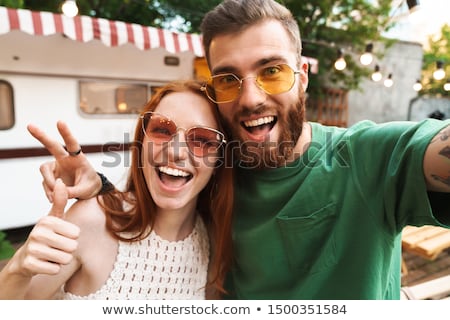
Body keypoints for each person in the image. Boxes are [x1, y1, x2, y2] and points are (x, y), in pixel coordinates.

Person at [28, 0, 450, 299]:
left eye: (271, 71)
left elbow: (427, 151)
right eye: (229, 79)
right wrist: (102, 186)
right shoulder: (218, 172)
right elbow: (158, 213)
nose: (250, 99)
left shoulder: (367, 157)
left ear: (302, 76)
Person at [0, 80, 234, 299]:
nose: (176, 151)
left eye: (203, 140)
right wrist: (17, 269)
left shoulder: (213, 238)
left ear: (218, 161)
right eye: (162, 130)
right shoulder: (91, 221)